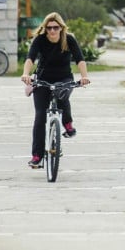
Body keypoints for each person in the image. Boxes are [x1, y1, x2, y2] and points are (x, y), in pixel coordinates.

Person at [20, 12, 90, 169]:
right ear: (45, 28)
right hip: (42, 79)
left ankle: (68, 124)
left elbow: (80, 59)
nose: (52, 31)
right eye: (49, 28)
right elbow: (30, 58)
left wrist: (84, 76)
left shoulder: (69, 39)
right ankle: (37, 156)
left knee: (63, 96)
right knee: (40, 117)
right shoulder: (40, 40)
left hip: (63, 78)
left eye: (55, 28)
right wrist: (26, 74)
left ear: (61, 28)